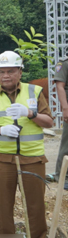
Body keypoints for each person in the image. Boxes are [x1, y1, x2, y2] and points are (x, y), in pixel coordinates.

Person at [0, 51, 55, 238]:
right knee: (3, 205)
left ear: (20, 72)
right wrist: (0, 129)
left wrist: (30, 113)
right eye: (1, 72)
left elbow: (49, 122)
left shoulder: (34, 91)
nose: (6, 76)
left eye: (11, 71)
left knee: (35, 205)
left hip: (32, 158)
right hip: (1, 159)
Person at [52, 58, 68, 190]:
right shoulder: (65, 63)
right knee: (67, 144)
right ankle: (63, 176)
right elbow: (60, 86)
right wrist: (65, 108)